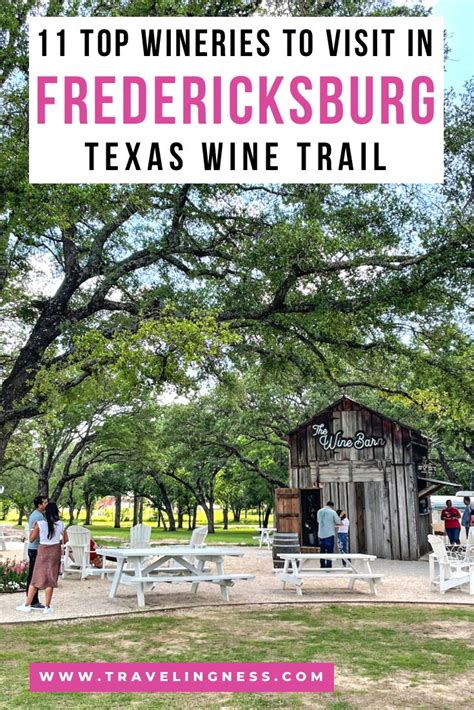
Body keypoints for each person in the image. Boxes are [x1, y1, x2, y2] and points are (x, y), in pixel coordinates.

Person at [16, 501, 68, 615]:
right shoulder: (61, 524)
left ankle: (27, 605)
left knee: (36, 577)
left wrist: (33, 529)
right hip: (55, 551)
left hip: (43, 550)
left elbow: (31, 539)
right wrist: (56, 542)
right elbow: (66, 539)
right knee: (50, 579)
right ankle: (47, 607)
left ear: (46, 512)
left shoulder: (40, 524)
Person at [23, 495, 48, 610]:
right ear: (39, 505)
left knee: (32, 574)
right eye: (44, 503)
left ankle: (31, 599)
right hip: (36, 549)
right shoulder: (39, 517)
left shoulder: (36, 515)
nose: (46, 504)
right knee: (34, 575)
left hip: (33, 549)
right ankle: (33, 601)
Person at [317, 501, 340, 568]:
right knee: (329, 551)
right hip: (329, 533)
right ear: (332, 506)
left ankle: (322, 565)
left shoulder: (319, 511)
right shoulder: (332, 512)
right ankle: (329, 566)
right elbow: (338, 521)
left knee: (322, 550)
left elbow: (318, 521)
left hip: (321, 533)